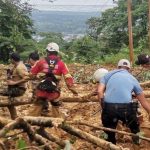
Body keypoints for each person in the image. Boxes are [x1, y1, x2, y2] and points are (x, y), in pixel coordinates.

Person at [97, 59, 150, 148]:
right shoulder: (132, 78)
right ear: (129, 69)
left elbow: (99, 92)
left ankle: (112, 145)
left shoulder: (107, 75)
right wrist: (149, 111)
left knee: (109, 132)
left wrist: (104, 107)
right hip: (126, 109)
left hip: (109, 108)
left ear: (117, 67)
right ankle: (136, 144)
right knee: (134, 129)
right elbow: (142, 100)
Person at [29, 42, 78, 117]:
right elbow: (68, 78)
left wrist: (39, 77)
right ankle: (56, 124)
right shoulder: (61, 63)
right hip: (54, 92)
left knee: (37, 107)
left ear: (47, 51)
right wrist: (73, 91)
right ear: (57, 52)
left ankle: (30, 123)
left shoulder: (40, 62)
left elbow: (31, 75)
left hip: (41, 90)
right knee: (55, 106)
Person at [5, 52, 29, 119]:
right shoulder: (16, 66)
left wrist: (14, 83)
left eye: (11, 59)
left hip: (19, 89)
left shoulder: (20, 67)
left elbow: (27, 78)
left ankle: (14, 117)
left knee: (2, 94)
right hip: (15, 88)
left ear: (12, 59)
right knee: (8, 101)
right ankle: (14, 117)